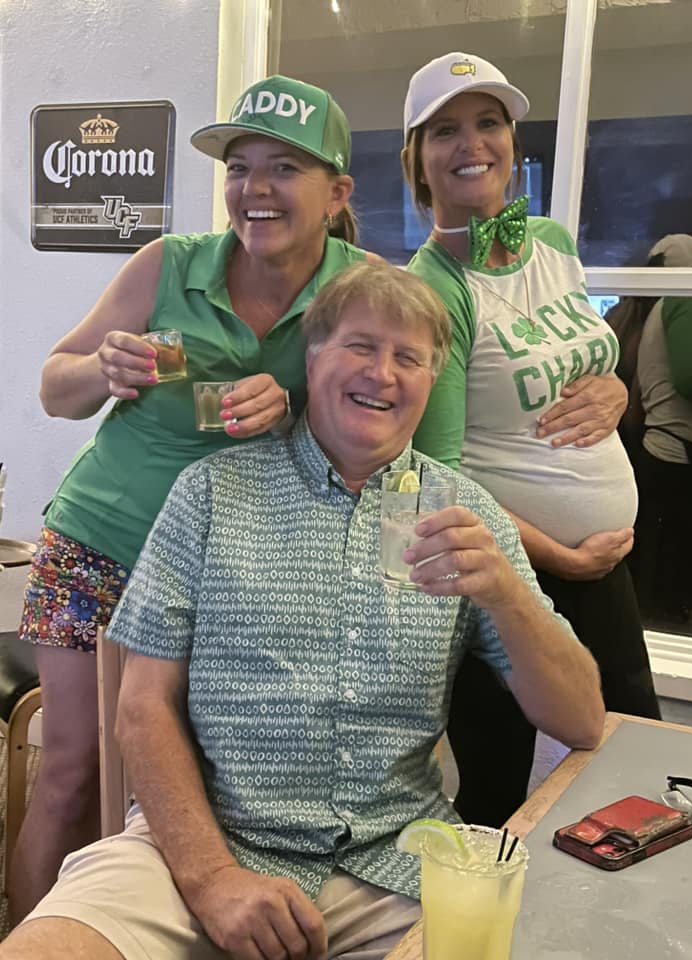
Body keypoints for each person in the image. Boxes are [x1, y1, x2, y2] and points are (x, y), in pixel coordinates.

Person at [1, 262, 605, 960]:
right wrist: (214, 879)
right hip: (201, 848)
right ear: (312, 358)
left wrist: (507, 596)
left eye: (408, 357)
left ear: (431, 379)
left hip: (399, 864)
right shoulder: (209, 492)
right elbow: (141, 707)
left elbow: (582, 717)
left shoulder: (467, 516)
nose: (382, 373)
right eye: (360, 345)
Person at [12, 73, 376, 923]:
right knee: (73, 769)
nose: (255, 188)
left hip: (230, 573)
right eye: (239, 165)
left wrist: (297, 414)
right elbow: (52, 389)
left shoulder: (358, 289)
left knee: (196, 787)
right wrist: (102, 367)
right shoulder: (168, 264)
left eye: (283, 167)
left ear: (337, 193)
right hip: (101, 542)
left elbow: (382, 426)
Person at [401, 51, 660, 826]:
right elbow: (436, 471)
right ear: (416, 158)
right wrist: (558, 556)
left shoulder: (549, 239)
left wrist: (617, 388)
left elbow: (581, 355)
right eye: (443, 129)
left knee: (633, 748)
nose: (470, 142)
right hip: (513, 568)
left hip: (600, 565)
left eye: (487, 122)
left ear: (513, 141)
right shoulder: (434, 287)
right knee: (495, 782)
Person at [633, 234, 692, 624]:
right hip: (686, 452)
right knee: (680, 580)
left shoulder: (658, 305)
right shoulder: (687, 297)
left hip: (672, 448)